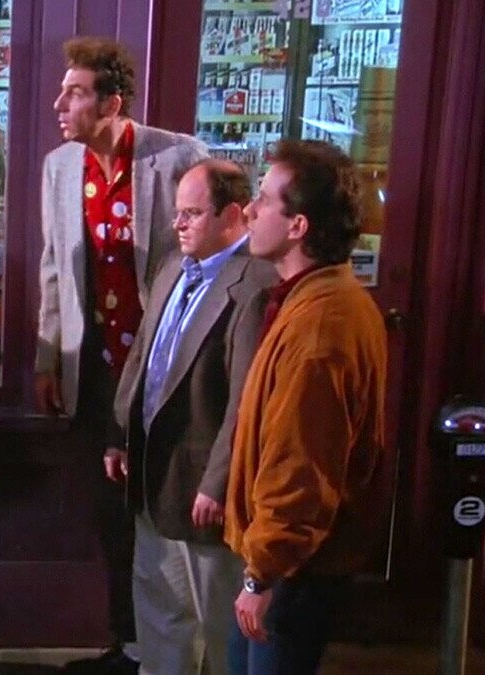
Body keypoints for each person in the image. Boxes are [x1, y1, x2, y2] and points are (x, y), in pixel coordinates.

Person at [35, 35, 208, 672]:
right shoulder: (60, 167)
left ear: (111, 103)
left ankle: (173, 652)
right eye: (62, 91)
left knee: (159, 511)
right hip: (97, 369)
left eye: (75, 93)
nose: (59, 104)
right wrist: (47, 359)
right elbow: (54, 266)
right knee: (110, 514)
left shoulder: (177, 156)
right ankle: (128, 644)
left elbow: (208, 253)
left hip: (162, 368)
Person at [106, 160, 277, 674]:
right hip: (151, 476)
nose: (178, 224)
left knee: (220, 627)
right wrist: (120, 433)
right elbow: (143, 357)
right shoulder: (171, 268)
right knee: (160, 613)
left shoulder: (255, 283)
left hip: (205, 489)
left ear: (233, 215)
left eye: (192, 213)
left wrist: (218, 482)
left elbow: (245, 400)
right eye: (177, 212)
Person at [225, 140, 388, 674]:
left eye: (263, 199)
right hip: (285, 562)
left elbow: (302, 466)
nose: (249, 210)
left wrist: (262, 574)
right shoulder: (313, 299)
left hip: (293, 570)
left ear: (298, 225)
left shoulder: (321, 326)